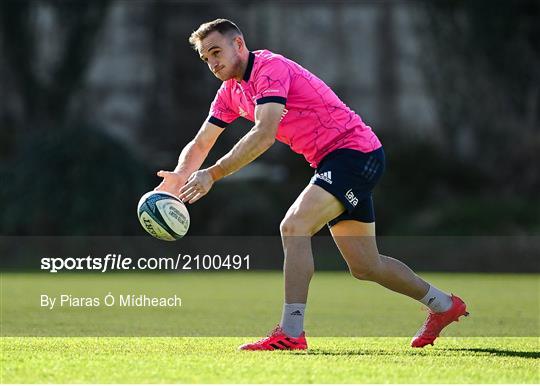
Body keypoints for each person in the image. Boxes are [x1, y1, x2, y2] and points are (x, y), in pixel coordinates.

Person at [155, 18, 468, 350]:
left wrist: (212, 174)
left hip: (353, 153)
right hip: (336, 161)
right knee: (365, 266)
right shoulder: (230, 92)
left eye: (216, 51)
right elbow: (202, 142)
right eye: (206, 58)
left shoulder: (269, 68)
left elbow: (264, 134)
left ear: (239, 44)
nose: (213, 63)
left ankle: (291, 332)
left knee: (294, 226)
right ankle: (445, 306)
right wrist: (179, 174)